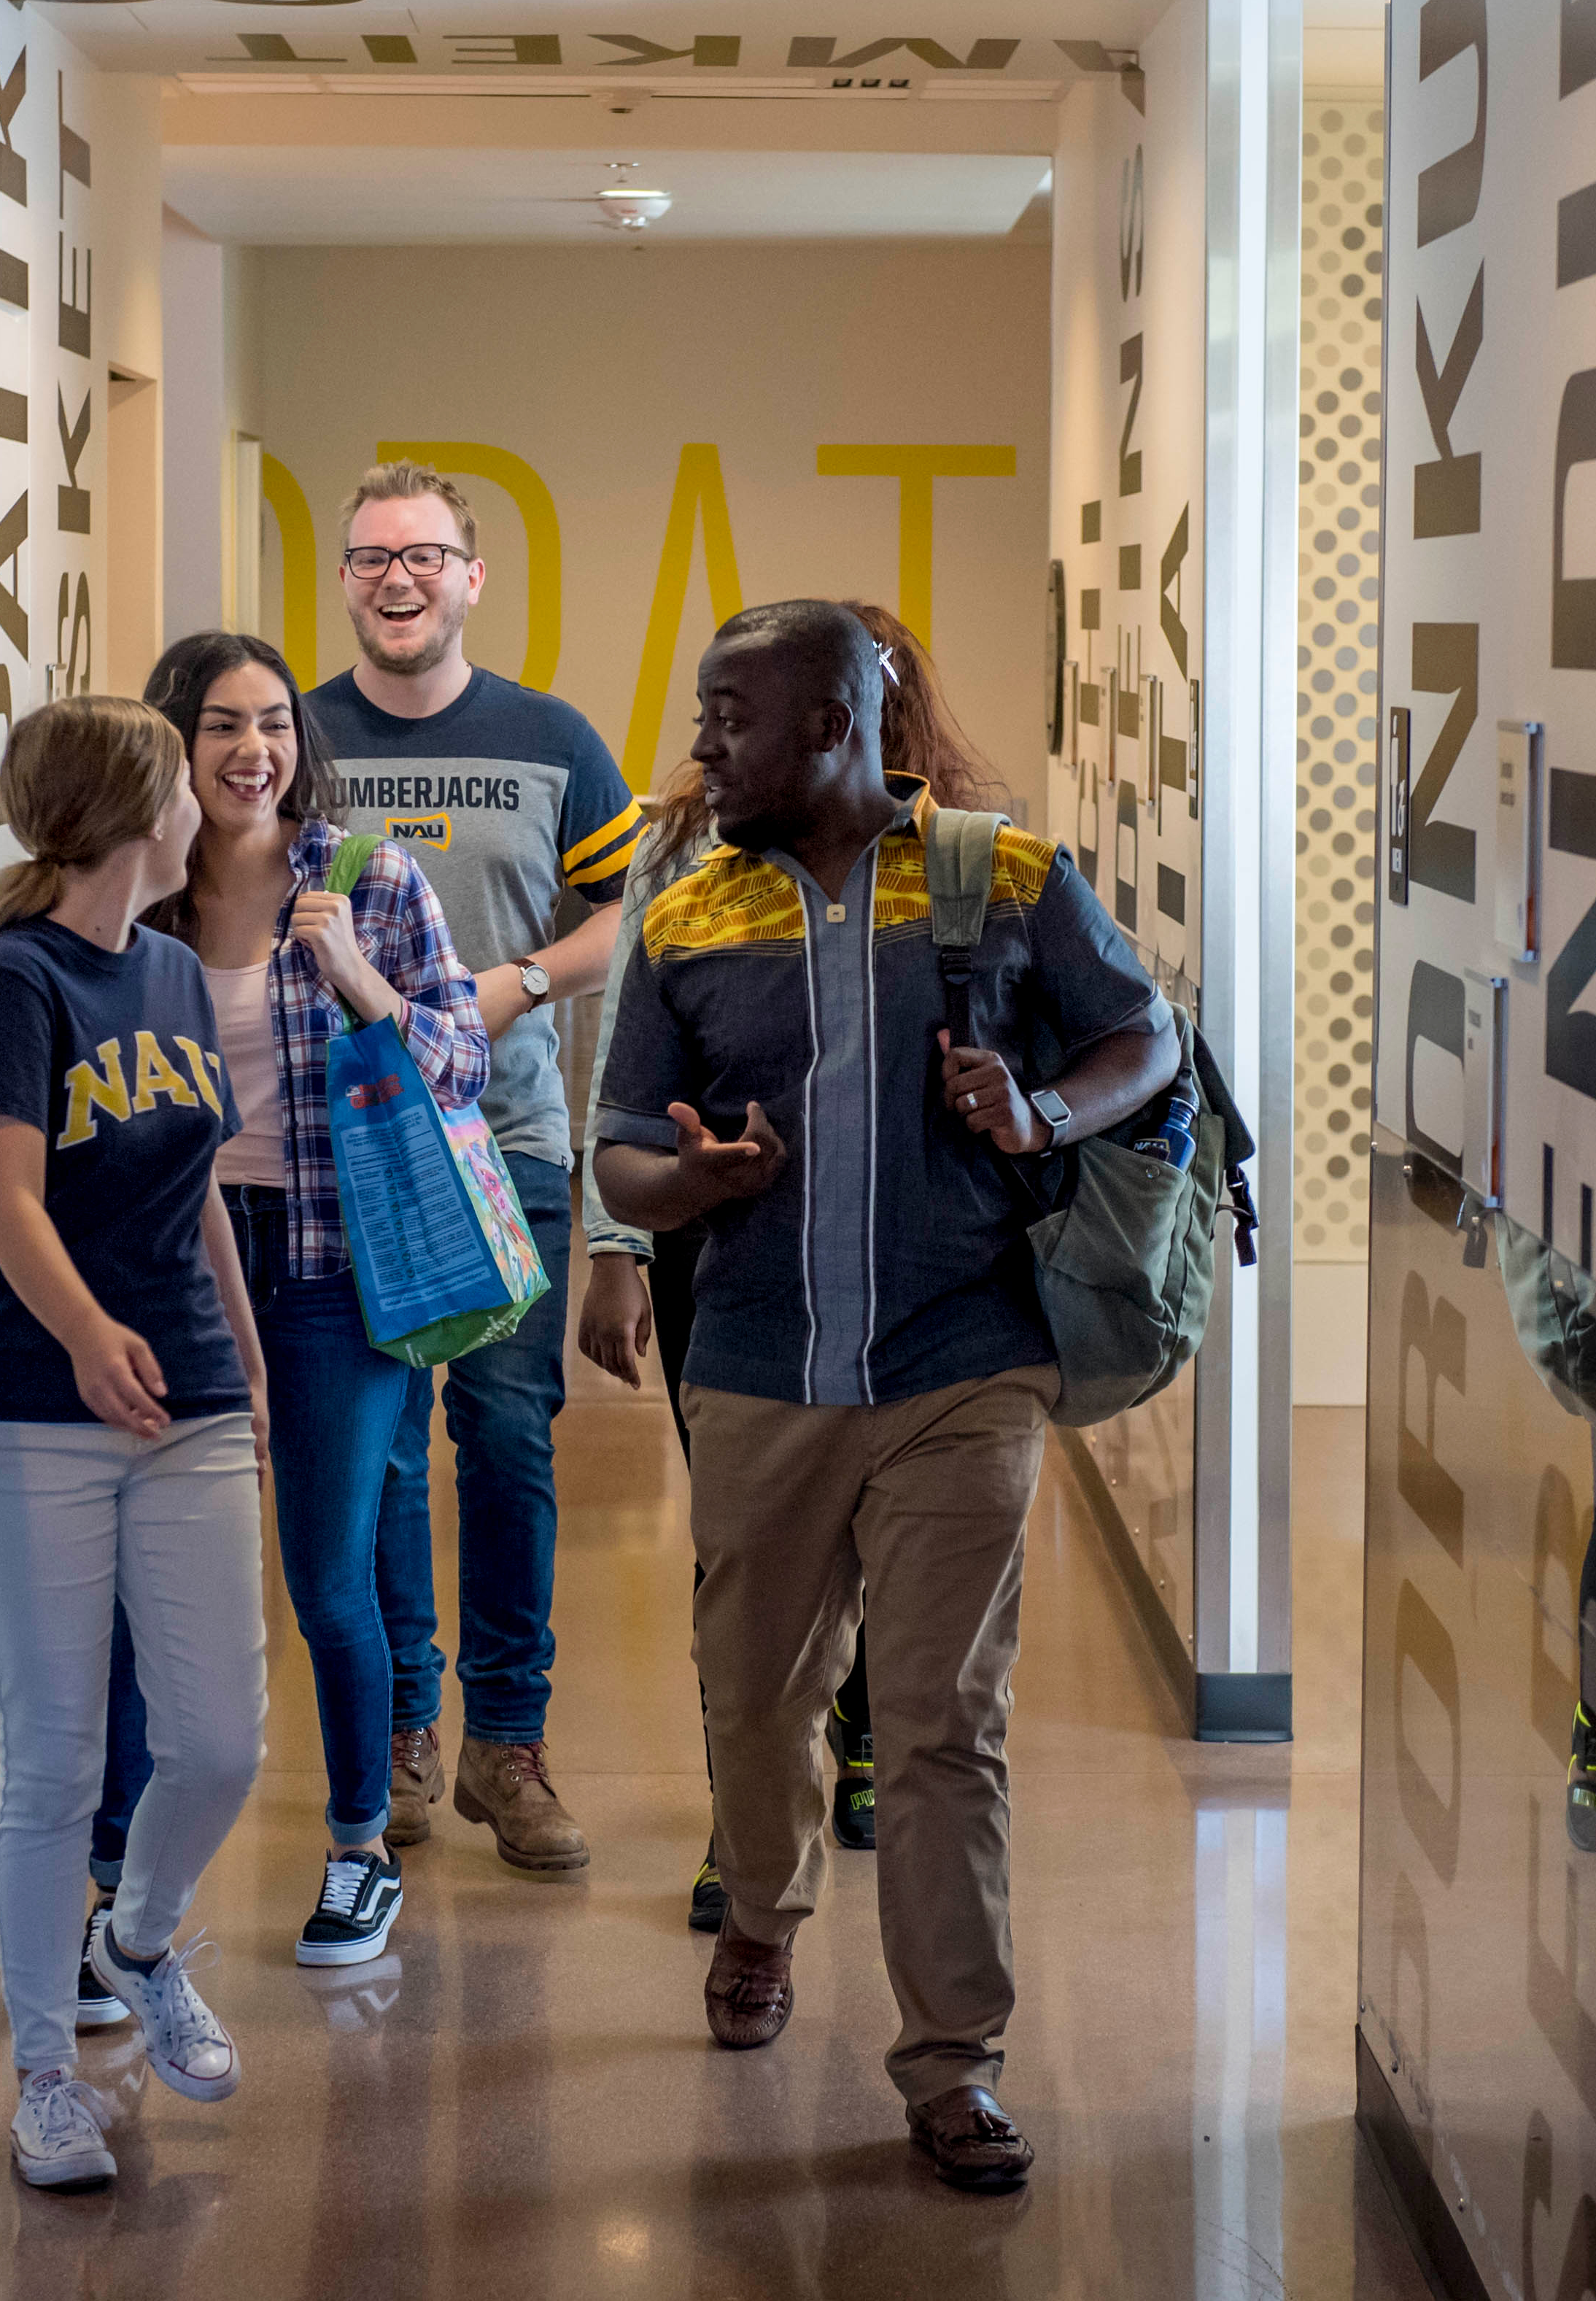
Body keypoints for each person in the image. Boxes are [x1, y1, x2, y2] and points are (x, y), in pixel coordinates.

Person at [594, 599, 1179, 2197]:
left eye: (732, 717)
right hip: (759, 1370)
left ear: (835, 728)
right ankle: (766, 1916)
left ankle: (953, 2062)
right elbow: (621, 1152)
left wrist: (1042, 1105)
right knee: (762, 1698)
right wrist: (688, 1178)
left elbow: (1148, 1034)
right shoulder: (685, 916)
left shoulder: (1003, 875)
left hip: (960, 1365)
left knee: (939, 1726)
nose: (703, 744)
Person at [578, 606, 1011, 1933]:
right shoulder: (686, 849)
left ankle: (873, 1739)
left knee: (906, 1556)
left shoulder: (968, 857)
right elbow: (627, 1084)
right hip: (736, 1256)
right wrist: (618, 1246)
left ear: (865, 714)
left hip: (930, 1282)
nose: (717, 739)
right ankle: (750, 1825)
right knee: (753, 1574)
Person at [0, 695, 272, 2194]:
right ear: (139, 811)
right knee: (54, 1753)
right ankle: (48, 2071)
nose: (208, 800)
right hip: (27, 1399)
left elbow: (196, 1186)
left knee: (221, 1737)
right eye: (187, 779)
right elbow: (8, 1193)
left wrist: (234, 1344)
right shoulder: (19, 975)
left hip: (184, 1391)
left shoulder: (175, 968)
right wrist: (82, 1332)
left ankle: (142, 1931)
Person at [308, 463, 640, 1874]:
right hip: (343, 1156)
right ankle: (399, 1736)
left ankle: (510, 1744)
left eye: (424, 556)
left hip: (503, 1143)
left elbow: (620, 919)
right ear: (347, 578)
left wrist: (513, 984)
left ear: (472, 577)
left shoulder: (552, 737)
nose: (399, 579)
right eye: (374, 557)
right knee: (377, 1457)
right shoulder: (294, 732)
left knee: (505, 1440)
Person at [137, 629, 487, 1968]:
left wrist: (360, 980)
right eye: (221, 725)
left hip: (337, 1266)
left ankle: (358, 1849)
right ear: (175, 741)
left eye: (274, 723)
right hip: (172, 1264)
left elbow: (459, 1063)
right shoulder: (141, 892)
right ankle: (121, 1865)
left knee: (327, 1574)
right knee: (154, 1576)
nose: (253, 751)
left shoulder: (369, 878)